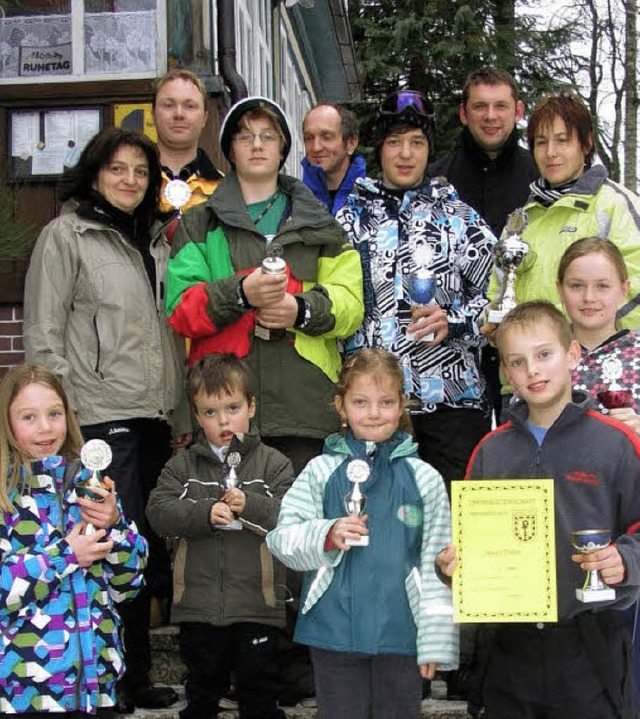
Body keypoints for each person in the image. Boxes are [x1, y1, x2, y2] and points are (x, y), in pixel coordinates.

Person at [23, 127, 189, 713]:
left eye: (141, 173)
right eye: (117, 169)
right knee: (98, 545)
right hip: (96, 418)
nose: (129, 180)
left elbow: (167, 336)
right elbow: (44, 333)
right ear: (95, 173)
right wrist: (59, 420)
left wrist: (181, 410)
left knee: (135, 549)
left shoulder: (153, 242)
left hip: (152, 416)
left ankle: (133, 674)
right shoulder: (66, 236)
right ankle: (107, 683)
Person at [439, 300, 640, 718]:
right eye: (517, 361)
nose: (532, 370)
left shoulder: (617, 444)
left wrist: (625, 559)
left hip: (590, 644)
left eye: (544, 354)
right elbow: (467, 545)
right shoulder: (490, 451)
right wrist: (452, 567)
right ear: (506, 372)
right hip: (508, 650)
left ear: (572, 355)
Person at [166, 95, 364, 475]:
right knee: (229, 529)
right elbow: (180, 309)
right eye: (245, 137)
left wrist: (300, 310)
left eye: (268, 136)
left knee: (303, 531)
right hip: (222, 409)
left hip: (304, 407)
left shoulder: (322, 225)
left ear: (283, 149)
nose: (257, 145)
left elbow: (351, 304)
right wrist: (241, 293)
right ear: (230, 152)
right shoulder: (198, 223)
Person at [267, 349, 458, 719]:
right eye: (361, 402)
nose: (374, 413)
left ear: (402, 404)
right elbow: (282, 538)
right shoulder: (320, 470)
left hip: (402, 633)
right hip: (332, 630)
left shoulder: (426, 478)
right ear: (341, 406)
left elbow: (439, 561)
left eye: (386, 402)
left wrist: (435, 641)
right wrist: (326, 533)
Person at [337, 89, 496, 492]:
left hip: (452, 402)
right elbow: (334, 302)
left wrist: (456, 321)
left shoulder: (460, 218)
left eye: (417, 142)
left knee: (453, 530)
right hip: (374, 404)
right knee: (378, 526)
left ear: (429, 149)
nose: (406, 153)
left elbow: (499, 302)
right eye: (395, 142)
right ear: (380, 149)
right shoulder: (348, 221)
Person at [147, 353, 293, 719]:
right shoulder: (182, 466)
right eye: (210, 412)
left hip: (257, 605)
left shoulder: (274, 463)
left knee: (259, 694)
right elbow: (158, 513)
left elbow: (293, 518)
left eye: (232, 407)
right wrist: (203, 514)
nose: (223, 420)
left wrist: (252, 505)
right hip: (198, 606)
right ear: (196, 416)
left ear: (252, 406)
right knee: (201, 692)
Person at [0, 363, 147, 718]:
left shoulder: (90, 485)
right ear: (6, 423)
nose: (46, 427)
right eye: (29, 417)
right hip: (24, 694)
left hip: (97, 690)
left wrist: (114, 526)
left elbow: (129, 584)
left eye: (54, 413)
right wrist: (66, 555)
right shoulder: (5, 496)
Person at [427, 67, 539, 429]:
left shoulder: (540, 177)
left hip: (524, 347)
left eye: (500, 106)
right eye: (480, 107)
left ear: (518, 110)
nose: (490, 117)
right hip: (453, 356)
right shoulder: (435, 181)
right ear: (463, 113)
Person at [486, 90, 640, 334]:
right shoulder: (522, 219)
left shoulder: (615, 205)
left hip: (594, 365)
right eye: (541, 142)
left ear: (586, 143)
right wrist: (496, 326)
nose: (551, 153)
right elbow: (497, 291)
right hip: (528, 367)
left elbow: (635, 294)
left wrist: (580, 338)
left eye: (562, 140)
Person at [558, 236, 640, 431]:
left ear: (623, 290)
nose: (589, 297)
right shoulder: (543, 356)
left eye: (602, 286)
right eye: (576, 286)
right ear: (560, 290)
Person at [153, 68, 223, 237]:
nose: (179, 114)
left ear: (205, 118)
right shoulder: (131, 183)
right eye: (169, 105)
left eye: (190, 106)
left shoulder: (225, 189)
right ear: (153, 114)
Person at [302, 102, 366, 215]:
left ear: (351, 144)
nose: (316, 147)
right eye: (309, 138)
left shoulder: (373, 204)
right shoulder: (294, 202)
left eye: (326, 137)